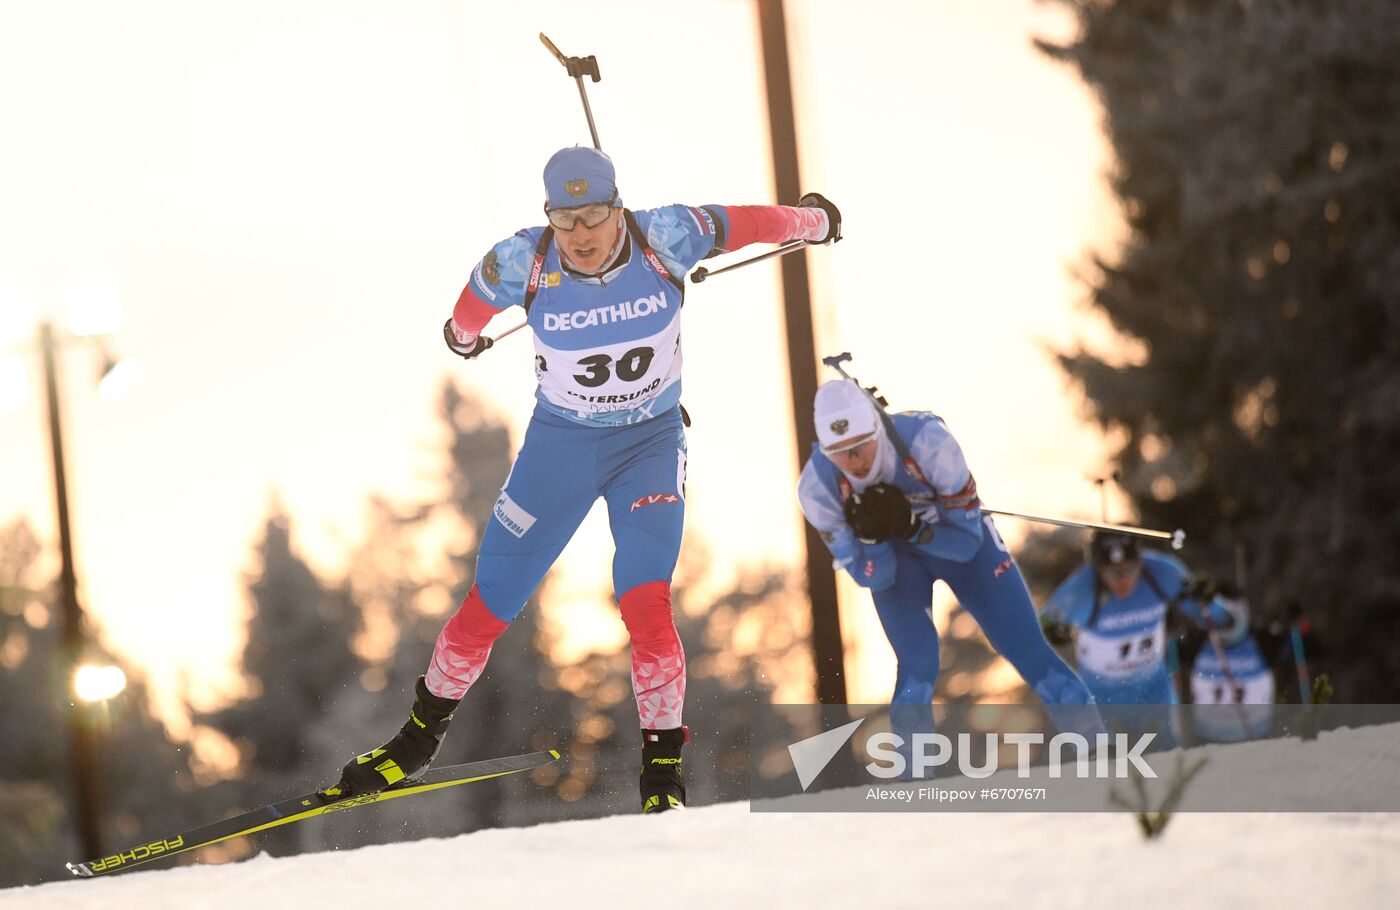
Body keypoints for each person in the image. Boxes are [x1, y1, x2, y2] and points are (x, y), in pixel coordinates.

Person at [321, 146, 841, 814]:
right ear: (550, 220)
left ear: (617, 207)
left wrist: (811, 221)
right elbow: (464, 317)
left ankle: (662, 776)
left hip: (648, 446)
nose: (582, 236)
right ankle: (415, 744)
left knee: (645, 600)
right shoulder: (521, 261)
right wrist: (461, 337)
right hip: (560, 450)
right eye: (565, 222)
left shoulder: (667, 236)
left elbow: (753, 223)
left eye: (593, 216)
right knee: (490, 603)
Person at [796, 379, 1102, 761]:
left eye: (860, 447)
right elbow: (870, 576)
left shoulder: (928, 442)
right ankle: (912, 779)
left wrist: (914, 528)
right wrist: (874, 540)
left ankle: (1096, 748)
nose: (854, 461)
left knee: (1024, 646)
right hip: (899, 562)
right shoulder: (817, 487)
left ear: (877, 426)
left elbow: (967, 543)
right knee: (917, 663)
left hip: (957, 544)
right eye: (839, 453)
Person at [1040, 531, 1245, 746]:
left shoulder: (1163, 573)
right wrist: (1052, 633)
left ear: (1141, 561)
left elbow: (1224, 623)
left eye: (1130, 569)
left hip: (1153, 692)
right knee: (1108, 770)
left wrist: (1210, 601)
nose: (1123, 581)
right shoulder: (1080, 589)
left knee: (1166, 762)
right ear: (1097, 570)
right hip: (1101, 699)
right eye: (1112, 573)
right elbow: (1039, 629)